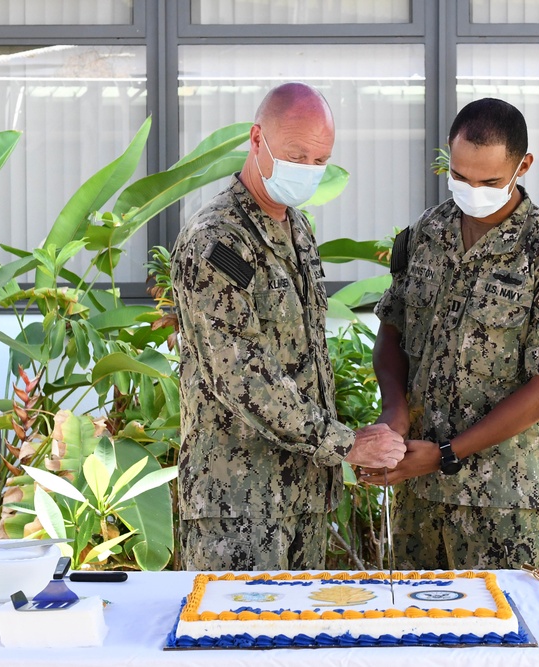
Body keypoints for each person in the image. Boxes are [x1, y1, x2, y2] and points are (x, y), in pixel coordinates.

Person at [171, 82, 405, 571]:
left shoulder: (297, 228)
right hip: (238, 506)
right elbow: (242, 377)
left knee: (300, 640)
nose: (308, 171)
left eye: (320, 161)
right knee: (237, 641)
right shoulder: (219, 242)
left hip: (303, 498)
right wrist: (346, 443)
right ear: (257, 140)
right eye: (297, 155)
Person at [366, 97, 539, 570]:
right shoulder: (423, 236)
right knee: (414, 630)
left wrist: (448, 454)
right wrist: (395, 411)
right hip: (418, 496)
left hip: (504, 503)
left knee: (510, 634)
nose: (472, 190)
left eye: (489, 181)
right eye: (460, 176)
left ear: (522, 165)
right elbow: (393, 329)